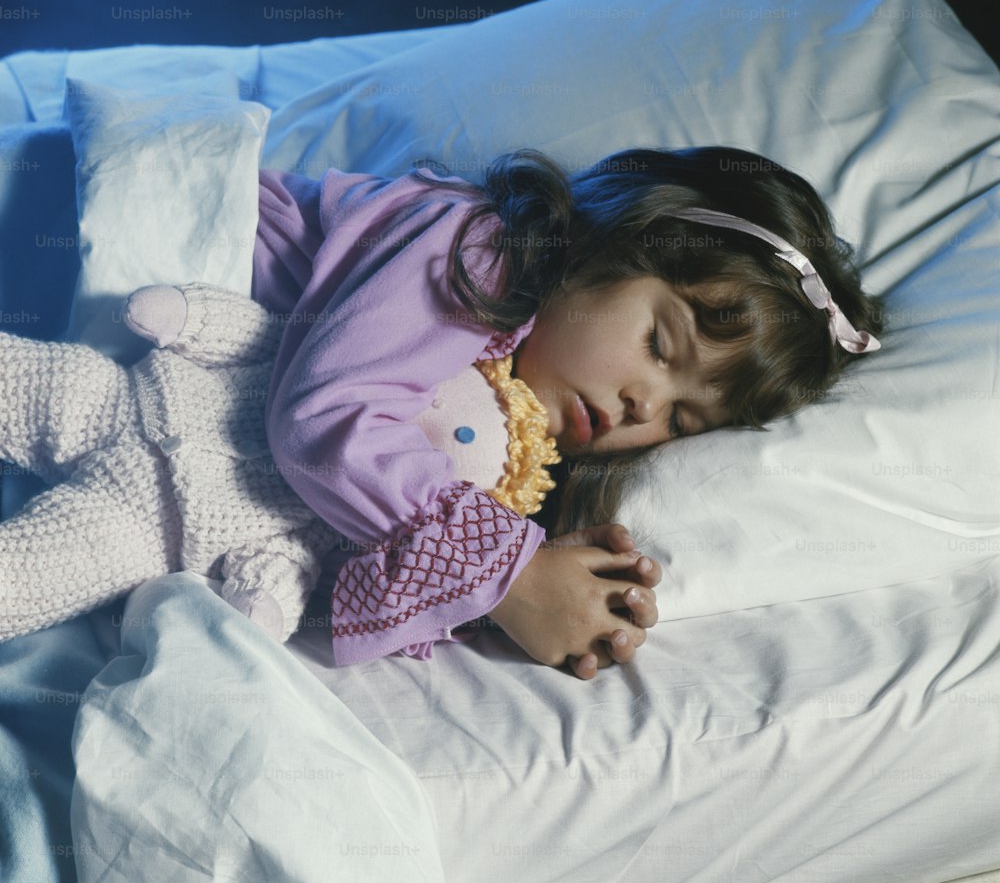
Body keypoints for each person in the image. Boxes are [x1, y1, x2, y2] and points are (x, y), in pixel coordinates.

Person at [253, 146, 884, 680]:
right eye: (658, 345)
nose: (647, 407)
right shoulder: (475, 243)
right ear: (598, 247)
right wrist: (511, 574)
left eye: (683, 421)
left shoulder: (496, 442)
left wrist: (554, 587)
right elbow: (330, 418)